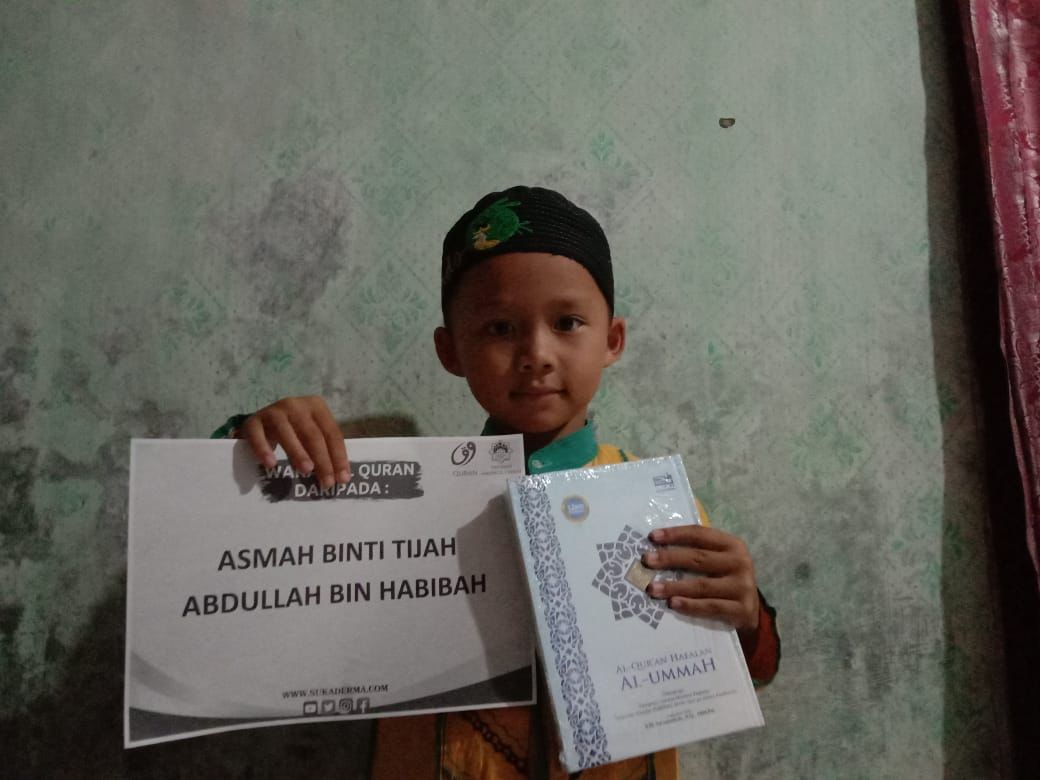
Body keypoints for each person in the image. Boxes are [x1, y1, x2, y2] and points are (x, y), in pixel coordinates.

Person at [214, 186, 780, 779]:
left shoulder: (658, 505)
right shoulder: (394, 504)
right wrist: (258, 448)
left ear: (612, 340)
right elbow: (244, 587)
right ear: (450, 350)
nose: (536, 353)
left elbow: (753, 670)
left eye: (567, 322)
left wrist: (746, 619)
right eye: (499, 327)